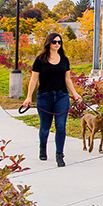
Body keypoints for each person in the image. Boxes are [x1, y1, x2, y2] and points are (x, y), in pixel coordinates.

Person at [22, 33, 83, 167]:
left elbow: (67, 79)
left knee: (60, 126)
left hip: (61, 96)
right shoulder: (40, 60)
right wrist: (28, 97)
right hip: (44, 96)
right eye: (54, 42)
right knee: (45, 128)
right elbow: (34, 79)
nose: (57, 44)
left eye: (59, 42)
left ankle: (59, 155)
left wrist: (75, 94)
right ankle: (42, 147)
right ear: (48, 43)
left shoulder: (64, 60)